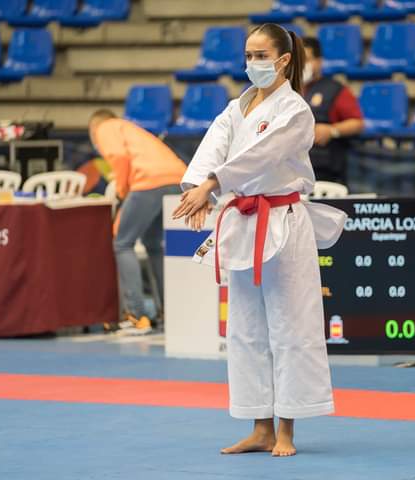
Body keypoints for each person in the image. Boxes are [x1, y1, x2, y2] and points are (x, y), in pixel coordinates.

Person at [172, 23, 346, 457]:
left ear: (284, 60)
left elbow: (260, 156)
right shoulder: (239, 106)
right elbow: (214, 146)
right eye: (248, 56)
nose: (252, 64)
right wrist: (199, 189)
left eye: (260, 56)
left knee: (291, 326)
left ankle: (287, 428)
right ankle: (259, 425)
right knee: (247, 330)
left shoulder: (296, 111)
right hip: (244, 222)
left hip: (283, 221)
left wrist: (213, 181)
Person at [89, 110, 187, 335]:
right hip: (176, 180)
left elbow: (119, 157)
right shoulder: (132, 129)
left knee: (122, 243)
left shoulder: (106, 127)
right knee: (153, 245)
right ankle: (170, 311)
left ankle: (135, 316)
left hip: (148, 182)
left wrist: (122, 190)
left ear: (94, 129)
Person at [302, 37, 364, 185]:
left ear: (319, 61)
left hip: (324, 172)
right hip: (292, 171)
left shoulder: (335, 90)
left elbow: (358, 123)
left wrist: (331, 130)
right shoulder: (287, 90)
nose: (302, 65)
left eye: (307, 59)